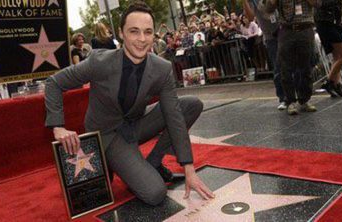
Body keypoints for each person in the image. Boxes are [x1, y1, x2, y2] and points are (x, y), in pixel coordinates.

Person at [44, 1, 214, 206]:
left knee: (191, 105)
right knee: (155, 193)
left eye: (148, 32)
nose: (142, 40)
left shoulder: (162, 68)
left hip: (136, 124)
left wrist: (188, 167)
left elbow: (174, 116)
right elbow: (54, 83)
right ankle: (113, 162)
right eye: (134, 31)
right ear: (121, 33)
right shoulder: (99, 62)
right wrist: (58, 127)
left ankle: (153, 161)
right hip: (107, 134)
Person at [266, 0, 320, 115]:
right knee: (286, 68)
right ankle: (290, 101)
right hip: (286, 30)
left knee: (306, 67)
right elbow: (268, 9)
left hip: (305, 29)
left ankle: (304, 99)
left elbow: (318, 3)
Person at [243, 0, 286, 110]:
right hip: (270, 37)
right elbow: (251, 17)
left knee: (290, 63)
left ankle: (298, 94)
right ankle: (283, 98)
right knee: (277, 66)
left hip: (284, 29)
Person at [315, 0, 342, 97]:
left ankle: (336, 85)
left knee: (337, 56)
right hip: (325, 24)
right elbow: (320, 4)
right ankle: (329, 82)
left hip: (334, 23)